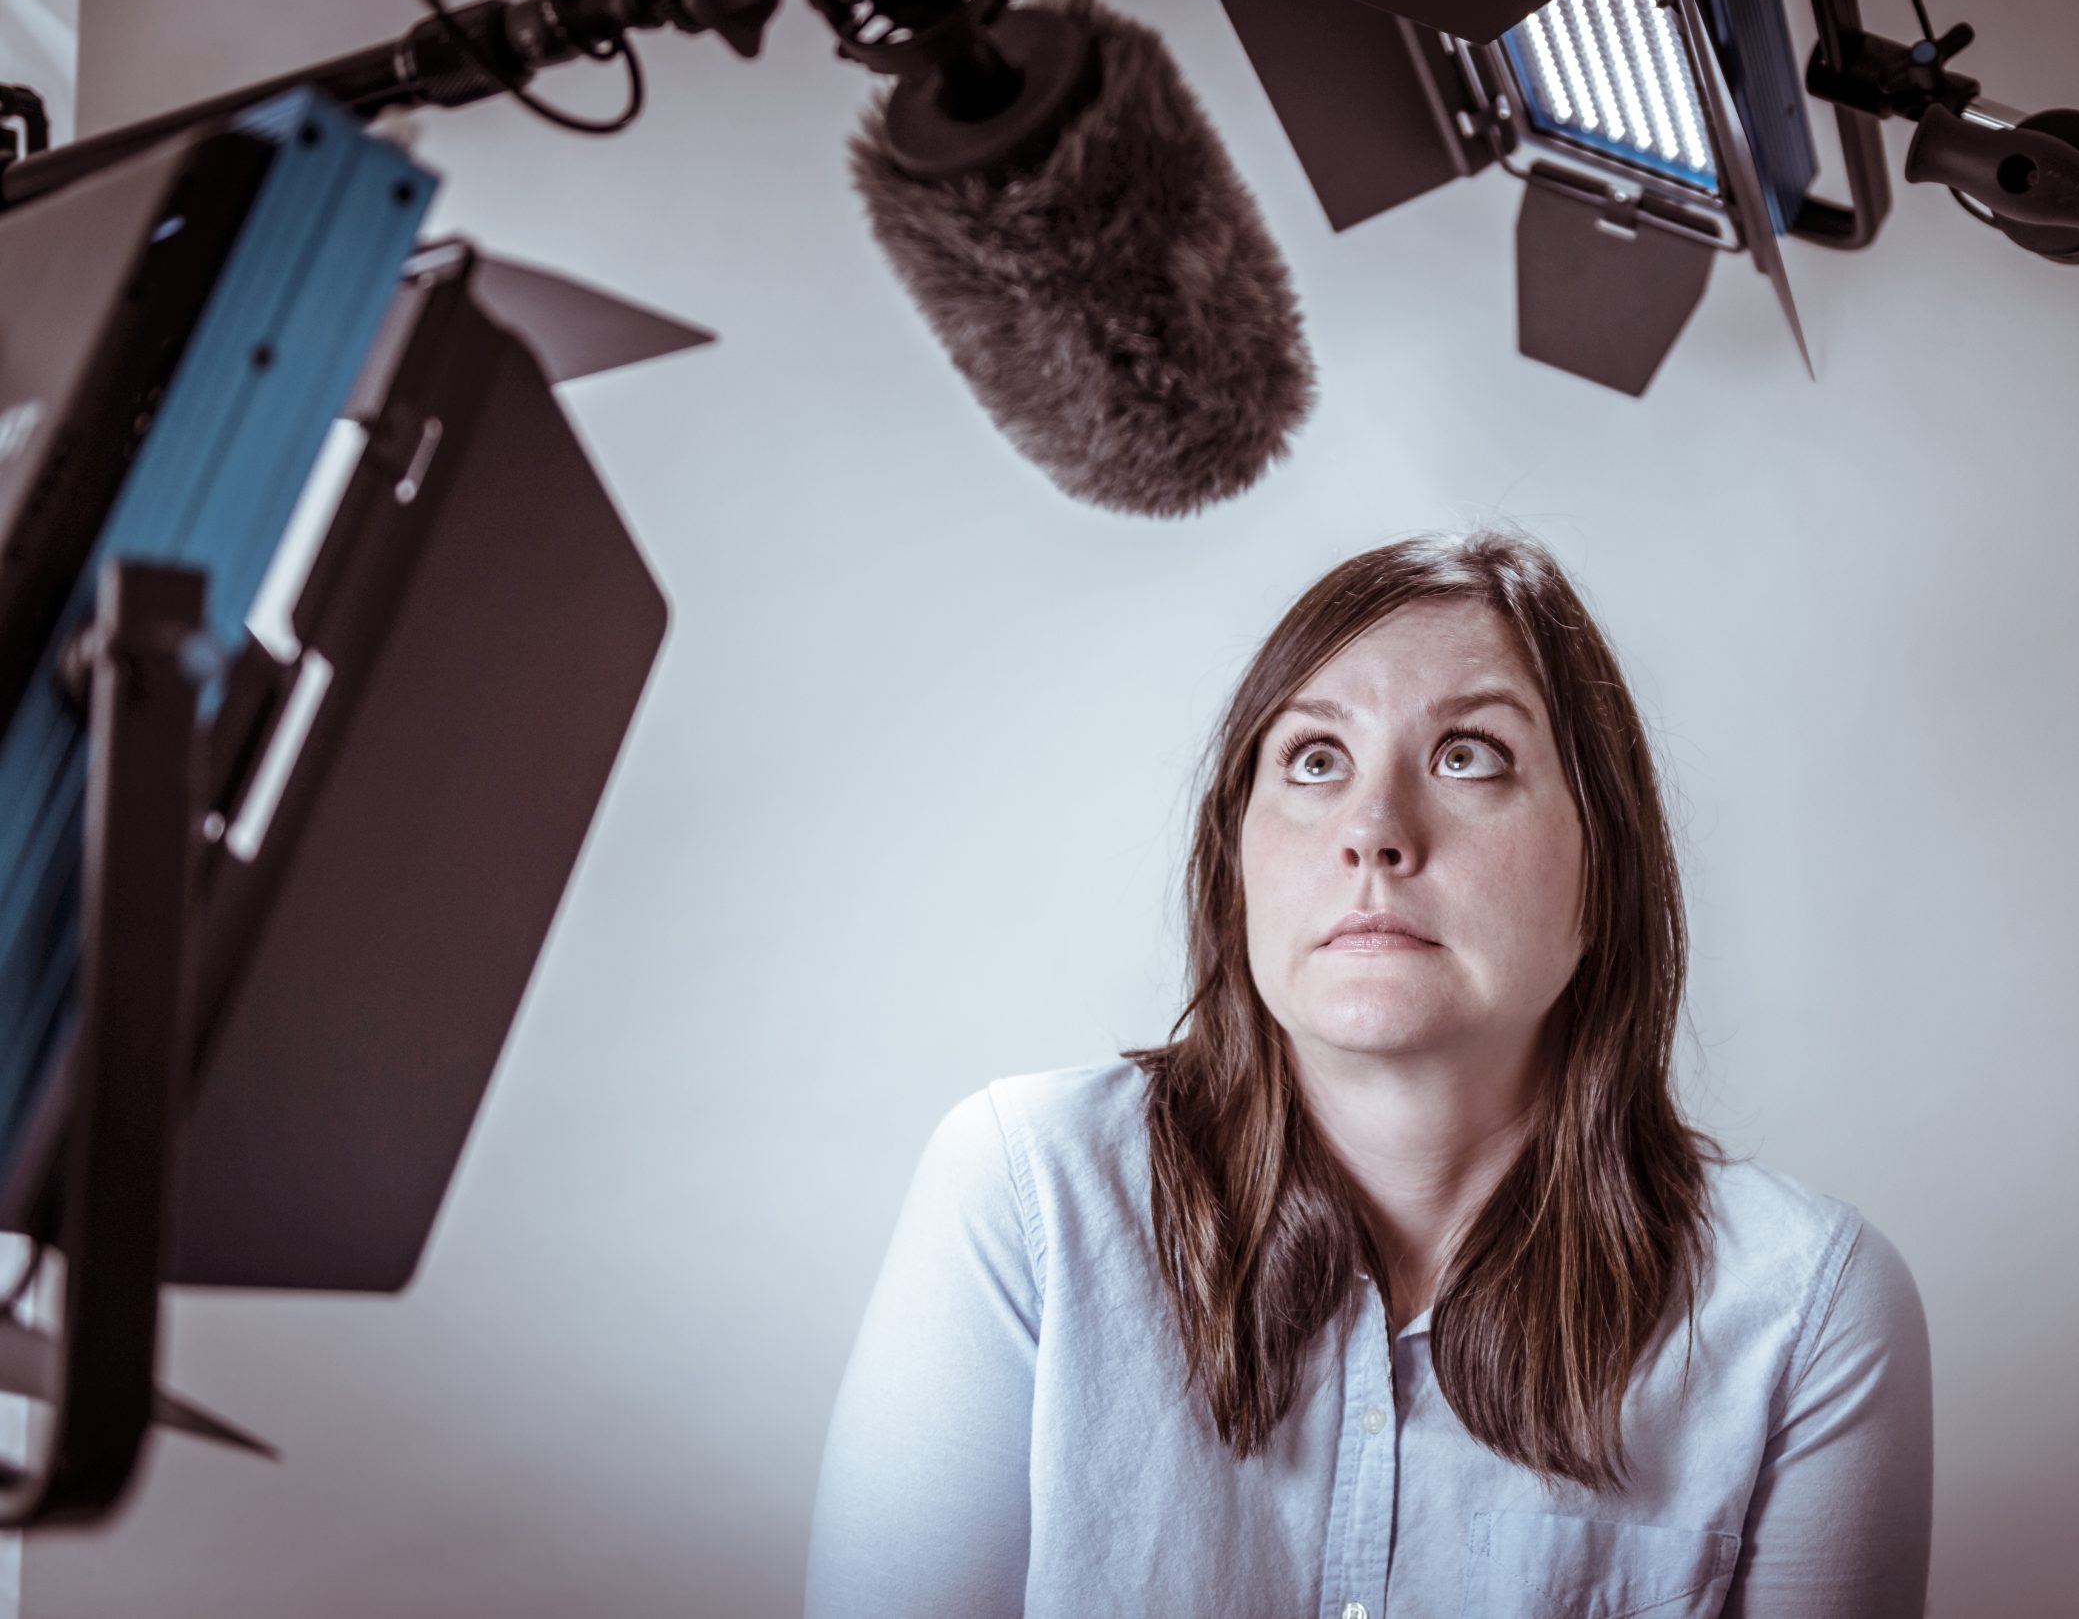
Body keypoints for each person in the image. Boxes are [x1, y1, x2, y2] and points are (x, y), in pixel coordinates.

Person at [804, 529, 1932, 1618]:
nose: (1373, 830)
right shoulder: (1025, 1190)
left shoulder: (1809, 1313)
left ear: (1604, 868)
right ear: (1236, 862)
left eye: (1466, 755)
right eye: (1313, 759)